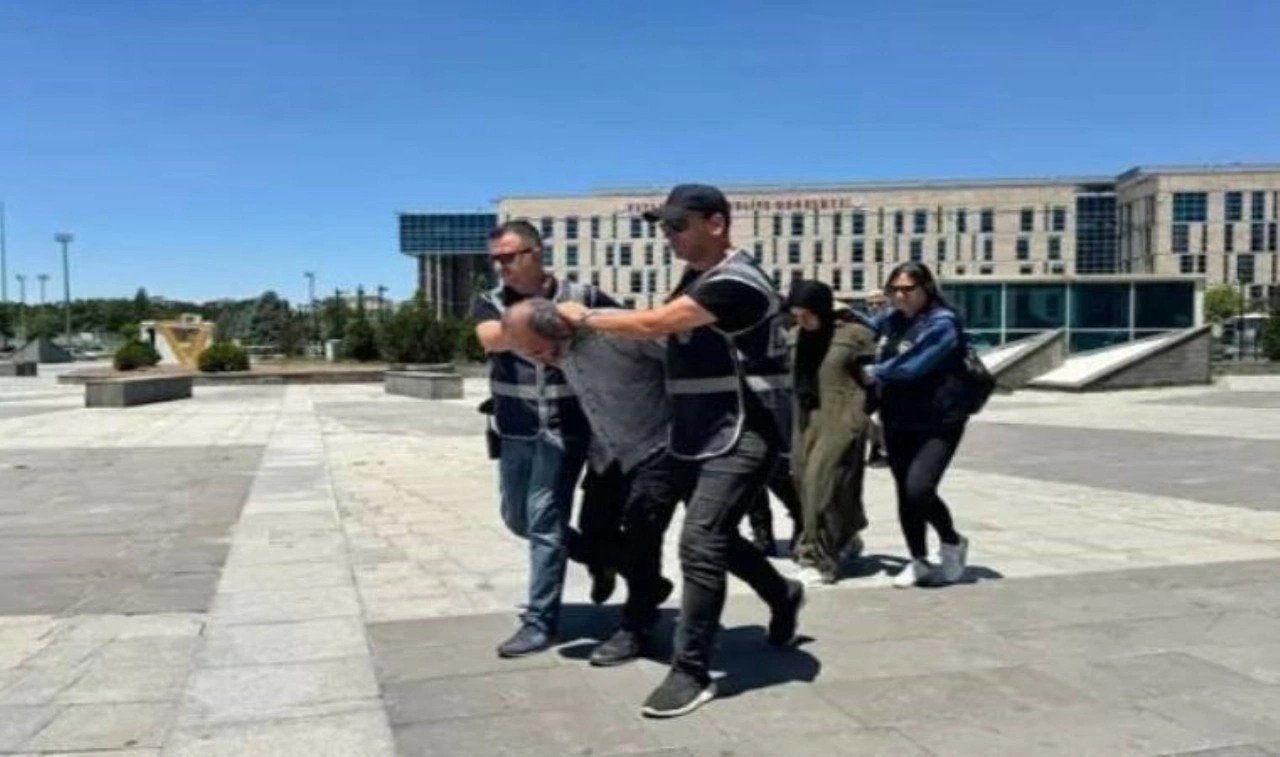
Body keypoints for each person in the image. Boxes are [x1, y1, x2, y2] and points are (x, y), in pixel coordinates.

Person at [558, 184, 803, 719]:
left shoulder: (736, 282)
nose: (668, 236)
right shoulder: (698, 276)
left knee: (700, 541)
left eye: (677, 226)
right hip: (692, 432)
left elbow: (655, 324)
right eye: (664, 227)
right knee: (693, 531)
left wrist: (585, 316)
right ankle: (781, 592)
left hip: (744, 432)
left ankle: (691, 669)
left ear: (716, 224)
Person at [502, 297, 680, 667]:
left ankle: (636, 626)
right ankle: (650, 584)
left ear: (556, 330)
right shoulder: (559, 348)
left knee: (644, 536)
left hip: (655, 445)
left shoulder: (614, 330)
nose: (537, 360)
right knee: (595, 532)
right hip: (608, 452)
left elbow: (681, 355)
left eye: (535, 350)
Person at [471, 220, 619, 658]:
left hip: (566, 428)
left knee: (545, 522)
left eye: (508, 257)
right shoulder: (490, 301)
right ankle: (600, 556)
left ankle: (540, 622)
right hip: (516, 428)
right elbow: (491, 338)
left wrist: (586, 321)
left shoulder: (583, 295)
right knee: (518, 519)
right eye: (495, 259)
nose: (500, 266)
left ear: (535, 253)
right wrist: (558, 322)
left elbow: (619, 327)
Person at [862, 261, 971, 589]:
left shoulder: (942, 323)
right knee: (904, 493)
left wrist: (872, 372)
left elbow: (912, 366)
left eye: (908, 289)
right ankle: (918, 559)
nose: (900, 296)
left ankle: (951, 541)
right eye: (894, 289)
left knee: (919, 489)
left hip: (939, 420)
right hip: (897, 418)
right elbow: (861, 328)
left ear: (927, 288)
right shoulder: (891, 319)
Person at [786, 280, 876, 586]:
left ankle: (816, 558)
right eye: (796, 315)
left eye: (807, 314)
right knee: (806, 482)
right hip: (804, 421)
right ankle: (848, 534)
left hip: (842, 418)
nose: (802, 321)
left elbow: (875, 381)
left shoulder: (855, 337)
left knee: (819, 485)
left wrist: (866, 420)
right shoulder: (794, 337)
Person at [863, 290, 890, 468]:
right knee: (869, 418)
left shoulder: (892, 324)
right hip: (870, 377)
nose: (875, 307)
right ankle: (876, 447)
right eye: (871, 304)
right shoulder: (866, 326)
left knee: (883, 418)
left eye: (879, 303)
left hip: (888, 377)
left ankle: (883, 450)